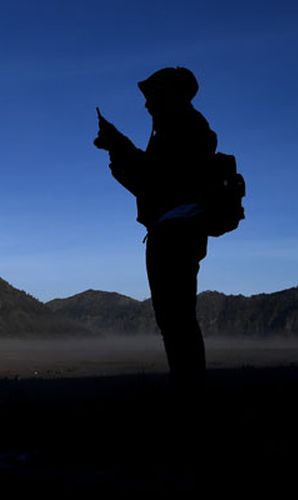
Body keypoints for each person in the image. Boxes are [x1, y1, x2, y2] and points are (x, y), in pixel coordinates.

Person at [93, 67, 217, 389]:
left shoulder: (183, 128)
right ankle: (189, 390)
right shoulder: (184, 128)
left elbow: (151, 180)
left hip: (175, 232)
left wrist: (116, 145)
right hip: (176, 230)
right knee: (176, 319)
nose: (147, 104)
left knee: (175, 320)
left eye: (152, 95)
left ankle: (189, 395)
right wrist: (117, 146)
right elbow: (150, 179)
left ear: (171, 93)